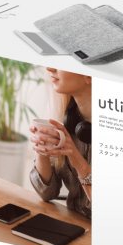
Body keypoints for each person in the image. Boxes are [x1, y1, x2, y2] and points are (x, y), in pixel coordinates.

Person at [29, 68, 92, 219]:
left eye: (63, 64)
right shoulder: (64, 119)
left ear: (88, 76)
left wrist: (76, 157)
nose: (49, 68)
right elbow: (46, 193)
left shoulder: (119, 127)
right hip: (74, 221)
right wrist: (42, 149)